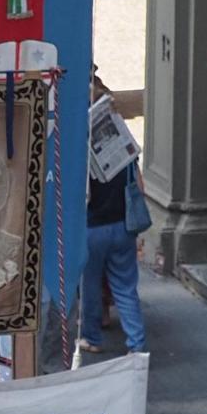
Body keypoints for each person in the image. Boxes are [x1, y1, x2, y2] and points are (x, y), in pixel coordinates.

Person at [80, 87, 147, 357]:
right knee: (125, 287)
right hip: (123, 224)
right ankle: (137, 344)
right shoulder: (124, 146)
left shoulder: (81, 148)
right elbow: (139, 187)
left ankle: (92, 337)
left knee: (90, 286)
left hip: (92, 226)